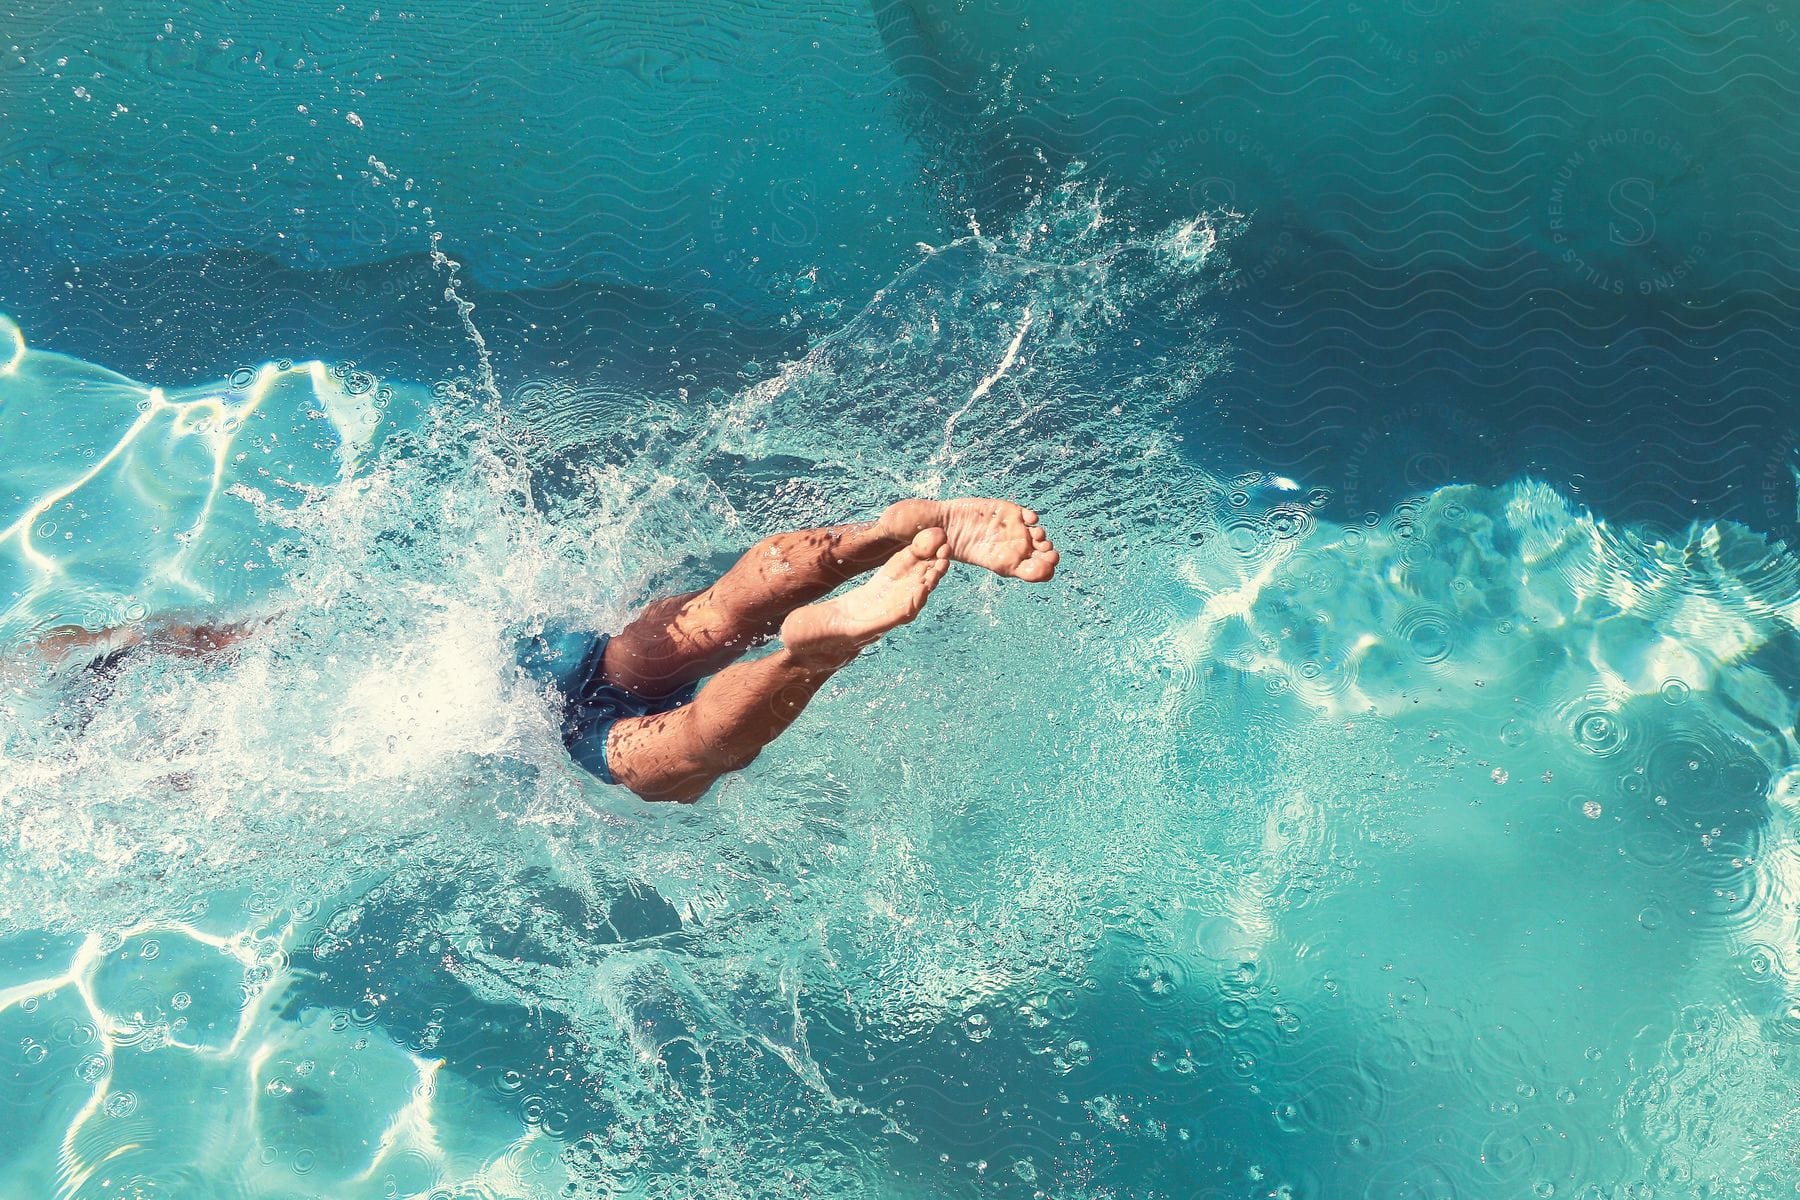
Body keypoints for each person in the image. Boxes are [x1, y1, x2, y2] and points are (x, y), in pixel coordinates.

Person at [29, 498, 1058, 803]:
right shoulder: (212, 644)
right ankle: (900, 526)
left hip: (505, 745)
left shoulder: (189, 773)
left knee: (681, 760)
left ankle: (813, 657)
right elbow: (233, 632)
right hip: (519, 653)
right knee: (699, 623)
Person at [518, 497, 1057, 801]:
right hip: (550, 648)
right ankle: (882, 536)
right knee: (713, 613)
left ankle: (808, 658)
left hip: (513, 729)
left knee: (685, 750)